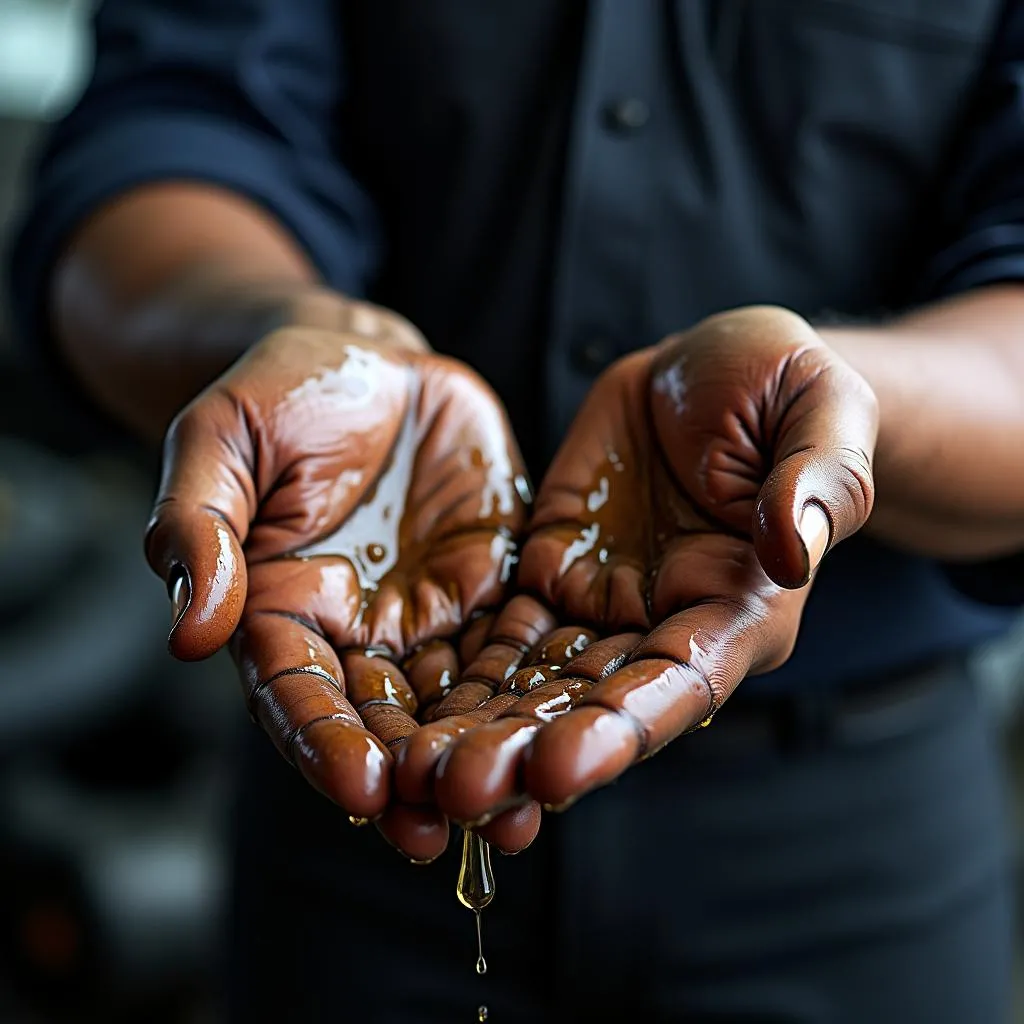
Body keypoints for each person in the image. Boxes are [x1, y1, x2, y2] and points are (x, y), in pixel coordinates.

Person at [8, 1, 1024, 1020]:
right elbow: (169, 128)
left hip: (858, 852)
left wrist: (841, 400)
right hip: (354, 811)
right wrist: (280, 335)